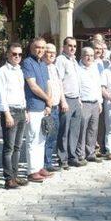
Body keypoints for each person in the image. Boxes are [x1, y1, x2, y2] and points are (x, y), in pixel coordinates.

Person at [0, 42, 29, 190]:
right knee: (8, 147)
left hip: (21, 110)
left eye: (19, 54)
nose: (17, 57)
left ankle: (15, 175)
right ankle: (8, 179)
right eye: (14, 54)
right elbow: (1, 94)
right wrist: (6, 113)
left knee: (18, 146)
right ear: (8, 54)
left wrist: (25, 110)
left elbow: (21, 92)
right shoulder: (3, 71)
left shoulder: (19, 71)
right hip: (10, 112)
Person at [21, 38, 54, 182]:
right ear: (31, 48)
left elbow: (48, 84)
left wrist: (48, 103)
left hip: (43, 107)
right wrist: (47, 99)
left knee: (42, 139)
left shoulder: (43, 64)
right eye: (37, 47)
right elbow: (33, 86)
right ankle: (32, 171)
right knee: (32, 139)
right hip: (33, 106)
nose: (40, 50)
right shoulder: (28, 63)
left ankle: (40, 167)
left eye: (42, 48)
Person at [55, 37, 84, 169]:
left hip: (76, 99)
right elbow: (59, 81)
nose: (73, 48)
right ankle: (63, 159)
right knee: (64, 131)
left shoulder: (74, 61)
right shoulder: (61, 60)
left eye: (74, 46)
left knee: (74, 130)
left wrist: (79, 99)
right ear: (64, 46)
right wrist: (63, 101)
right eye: (70, 46)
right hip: (66, 99)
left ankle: (72, 156)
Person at [77, 46, 103, 163]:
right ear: (82, 56)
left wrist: (100, 102)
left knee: (93, 129)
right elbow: (77, 86)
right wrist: (79, 101)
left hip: (95, 102)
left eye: (92, 55)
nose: (89, 57)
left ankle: (90, 153)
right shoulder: (78, 69)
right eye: (87, 55)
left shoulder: (95, 68)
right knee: (82, 129)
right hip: (84, 103)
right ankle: (81, 154)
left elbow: (98, 86)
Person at [43, 43, 65, 172]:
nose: (51, 54)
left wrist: (63, 101)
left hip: (56, 106)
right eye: (49, 52)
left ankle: (48, 162)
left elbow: (59, 86)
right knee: (46, 136)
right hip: (48, 107)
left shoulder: (54, 68)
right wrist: (48, 104)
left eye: (54, 52)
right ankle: (44, 163)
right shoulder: (42, 68)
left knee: (53, 136)